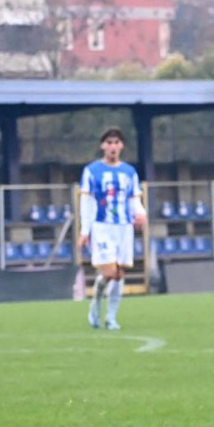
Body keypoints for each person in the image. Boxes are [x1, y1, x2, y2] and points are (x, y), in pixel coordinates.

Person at [79, 127, 145, 330]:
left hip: (124, 227)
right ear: (102, 145)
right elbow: (87, 202)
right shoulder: (91, 171)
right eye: (109, 143)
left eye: (116, 142)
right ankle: (95, 305)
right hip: (102, 226)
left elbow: (134, 199)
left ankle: (111, 317)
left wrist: (141, 212)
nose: (113, 147)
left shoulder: (129, 172)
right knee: (110, 271)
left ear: (122, 145)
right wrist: (84, 230)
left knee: (119, 274)